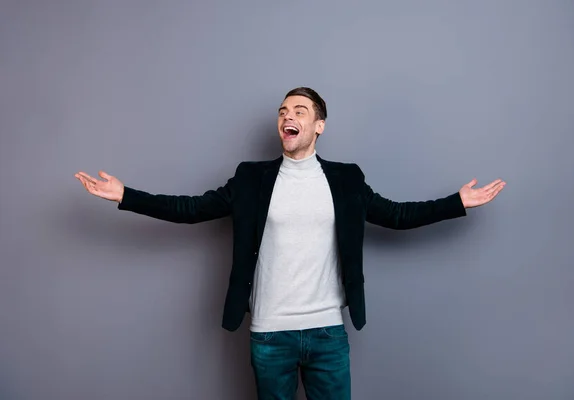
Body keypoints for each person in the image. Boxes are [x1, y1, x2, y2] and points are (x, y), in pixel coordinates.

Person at [75, 87, 505, 399]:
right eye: (283, 110)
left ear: (319, 125)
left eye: (299, 109)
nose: (287, 115)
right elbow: (191, 208)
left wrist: (457, 203)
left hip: (327, 334)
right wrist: (126, 195)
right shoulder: (251, 178)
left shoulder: (346, 178)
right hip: (270, 335)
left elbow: (395, 215)